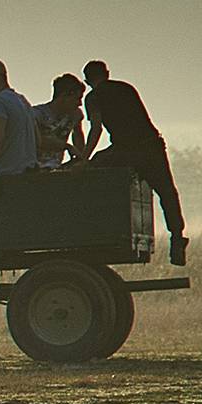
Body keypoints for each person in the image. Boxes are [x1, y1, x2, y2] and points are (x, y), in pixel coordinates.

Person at [81, 58, 187, 264]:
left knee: (96, 168)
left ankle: (100, 227)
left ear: (87, 81)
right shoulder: (127, 88)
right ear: (107, 73)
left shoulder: (93, 97)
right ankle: (177, 237)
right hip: (152, 146)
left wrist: (85, 159)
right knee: (167, 191)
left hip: (125, 150)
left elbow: (96, 128)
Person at [33, 73, 87, 170]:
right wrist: (66, 146)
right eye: (77, 98)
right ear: (64, 96)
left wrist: (81, 159)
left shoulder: (75, 115)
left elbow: (78, 135)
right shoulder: (37, 114)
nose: (80, 103)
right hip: (33, 168)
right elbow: (36, 140)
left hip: (56, 167)